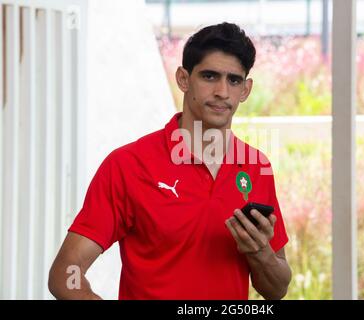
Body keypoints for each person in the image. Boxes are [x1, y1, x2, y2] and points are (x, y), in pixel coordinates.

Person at [48, 22, 291, 300]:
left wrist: (261, 254)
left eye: (234, 80)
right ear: (183, 79)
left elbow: (276, 289)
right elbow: (66, 273)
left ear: (245, 90)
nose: (223, 92)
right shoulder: (128, 165)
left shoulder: (256, 167)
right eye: (209, 76)